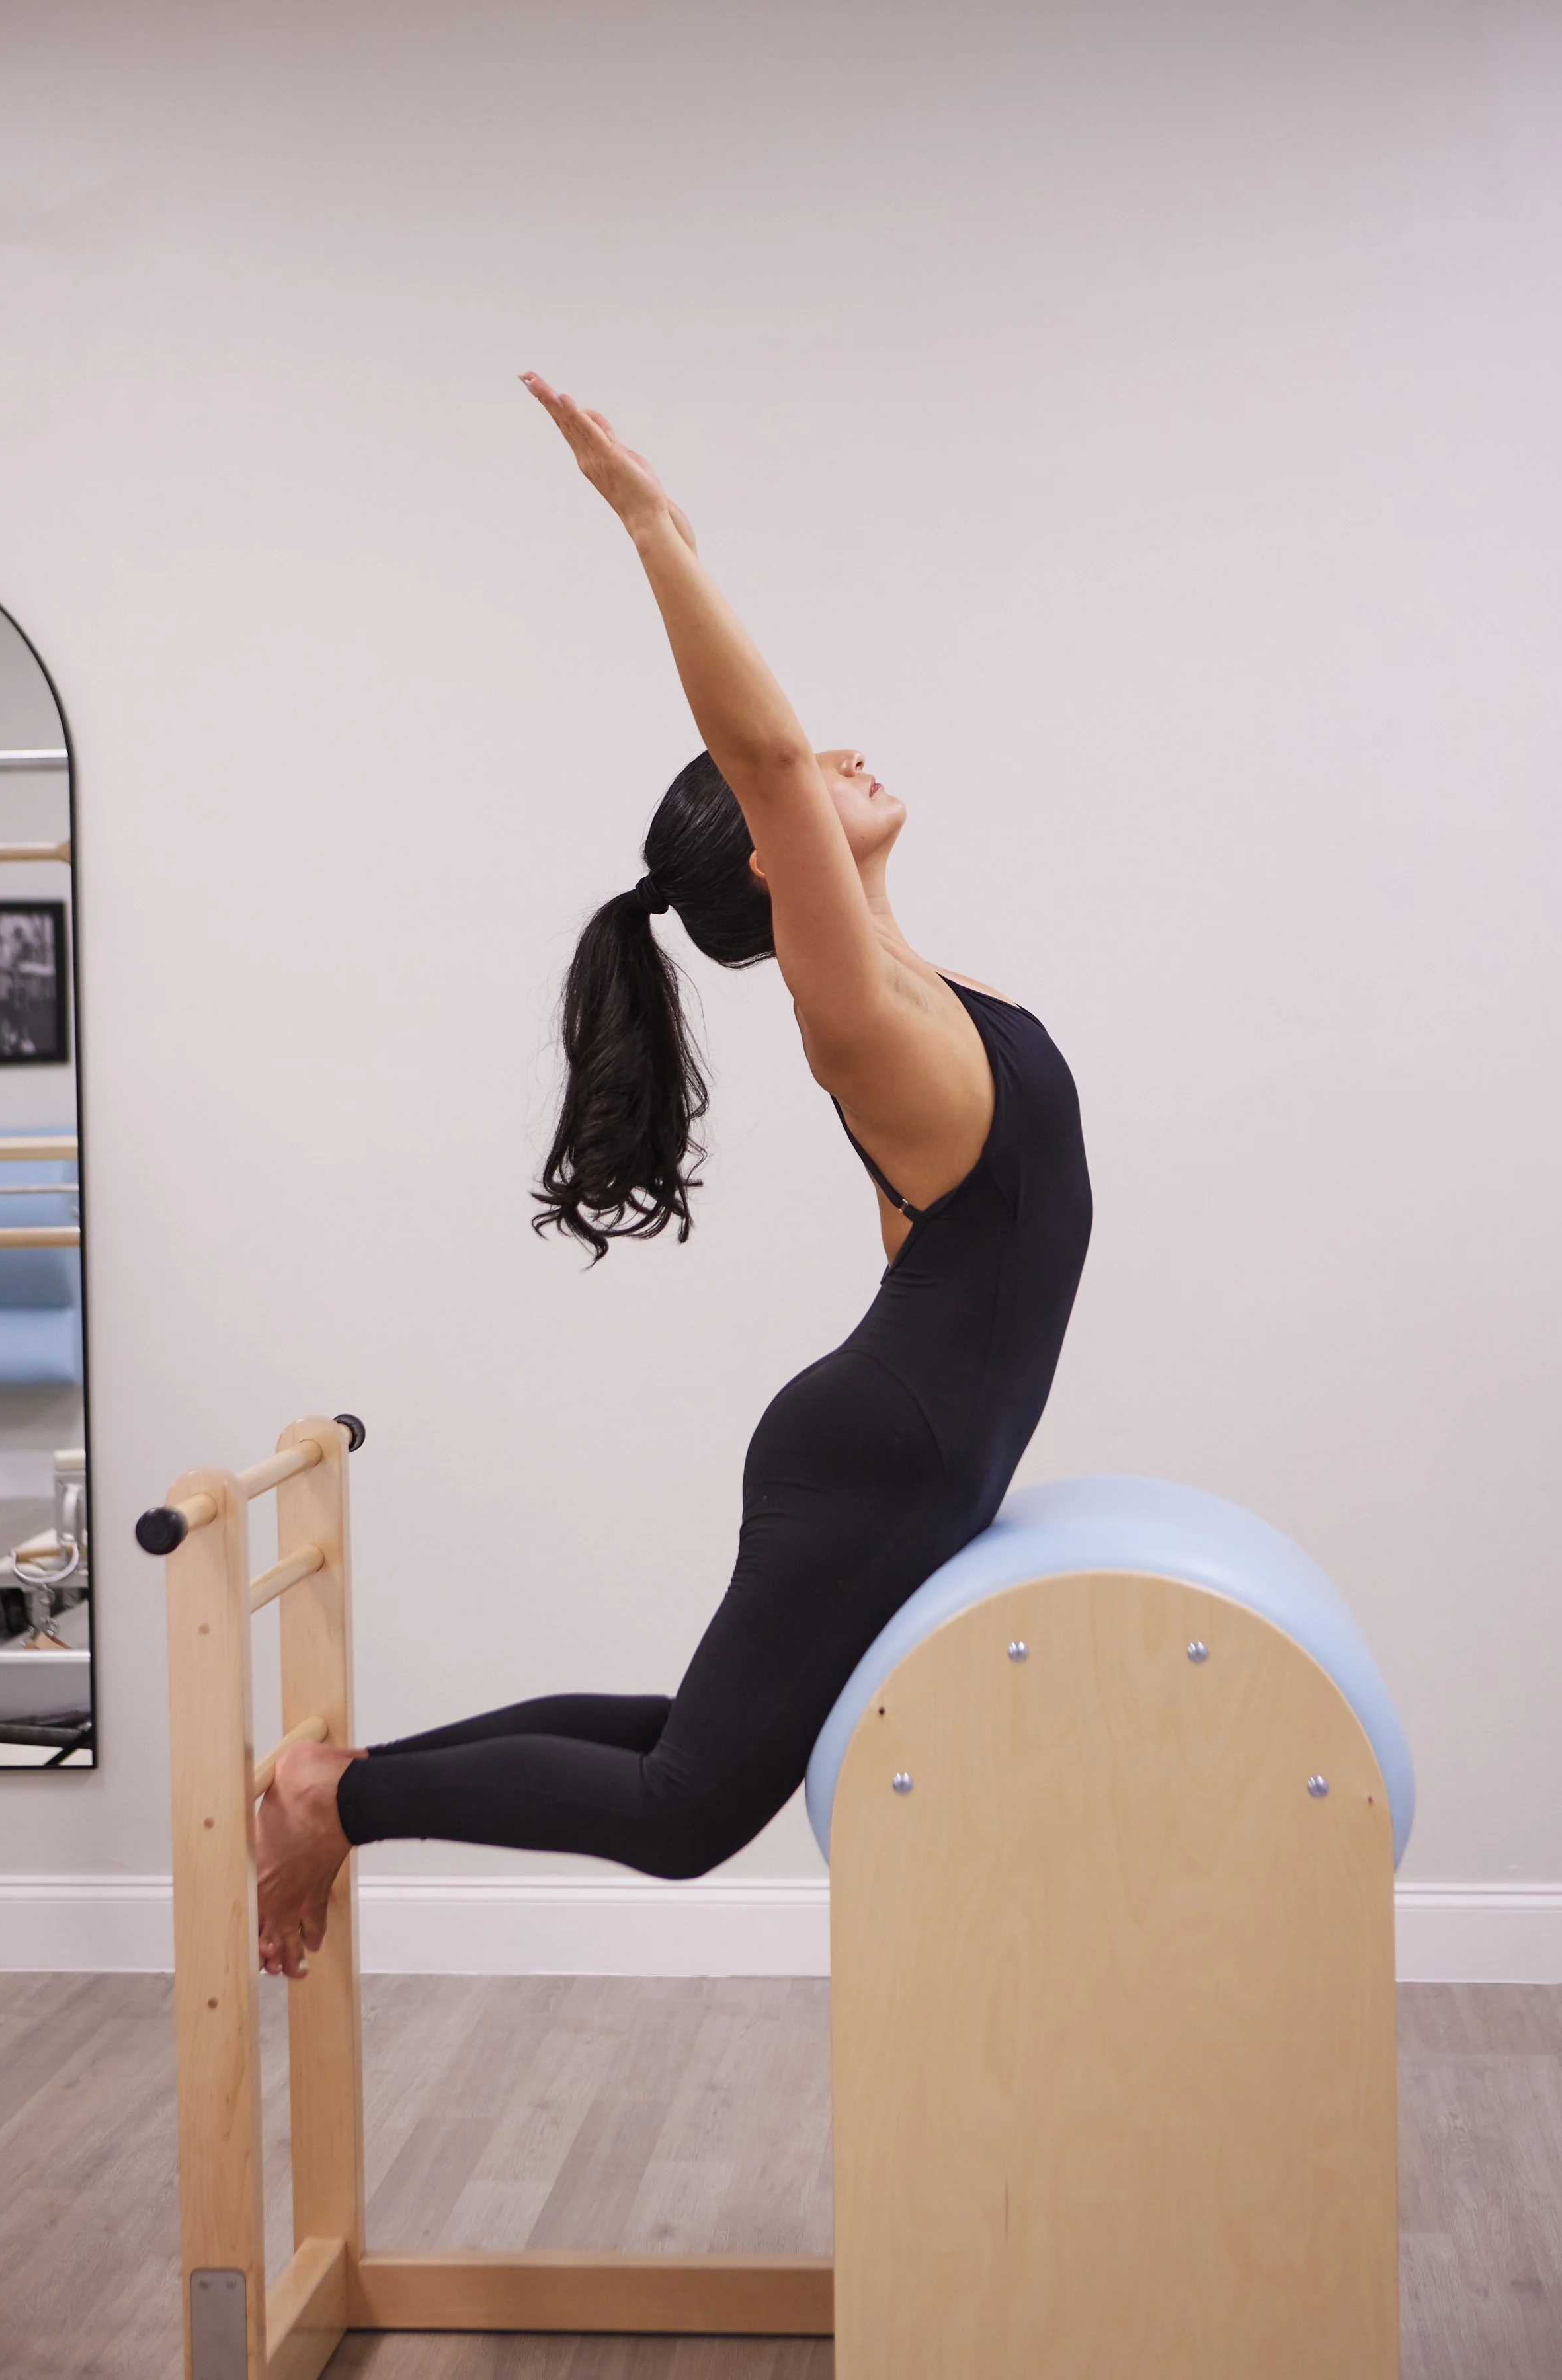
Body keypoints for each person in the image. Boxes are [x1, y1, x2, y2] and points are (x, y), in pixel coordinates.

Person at [255, 376, 1092, 1978]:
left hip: (895, 1447)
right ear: (775, 864)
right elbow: (764, 743)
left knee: (702, 1752)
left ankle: (337, 1787)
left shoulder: (913, 997)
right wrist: (651, 523)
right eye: (807, 784)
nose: (841, 754)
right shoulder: (847, 1008)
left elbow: (781, 774)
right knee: (686, 1809)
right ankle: (336, 1804)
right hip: (881, 1454)